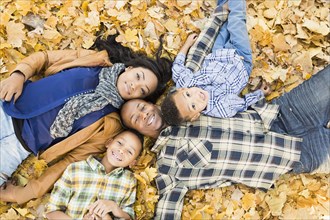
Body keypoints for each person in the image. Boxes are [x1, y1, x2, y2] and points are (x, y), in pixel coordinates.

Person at [120, 1, 330, 219]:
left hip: (284, 112)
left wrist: (220, 15)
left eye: (142, 107)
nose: (144, 114)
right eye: (136, 119)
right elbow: (166, 212)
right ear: (140, 133)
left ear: (152, 103)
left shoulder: (181, 94)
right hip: (292, 156)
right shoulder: (168, 168)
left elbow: (198, 54)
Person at [0, 34, 171, 204]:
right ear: (130, 68)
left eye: (142, 90)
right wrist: (19, 74)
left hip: (17, 147)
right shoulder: (94, 60)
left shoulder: (109, 125)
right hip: (8, 105)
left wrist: (26, 193)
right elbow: (45, 58)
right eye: (138, 76)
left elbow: (69, 162)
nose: (135, 85)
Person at [161, 2, 270, 126]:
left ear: (182, 89)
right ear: (195, 116)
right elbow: (243, 103)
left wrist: (187, 44)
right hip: (241, 60)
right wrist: (260, 93)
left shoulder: (186, 82)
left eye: (188, 94)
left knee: (225, 24)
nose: (196, 96)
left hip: (217, 53)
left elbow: (177, 67)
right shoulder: (220, 108)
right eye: (193, 106)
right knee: (236, 21)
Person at [45, 130, 143, 220]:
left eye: (129, 152)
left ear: (133, 162)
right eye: (120, 143)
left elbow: (129, 216)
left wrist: (114, 208)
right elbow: (51, 211)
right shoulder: (75, 169)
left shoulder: (129, 180)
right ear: (109, 143)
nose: (121, 150)